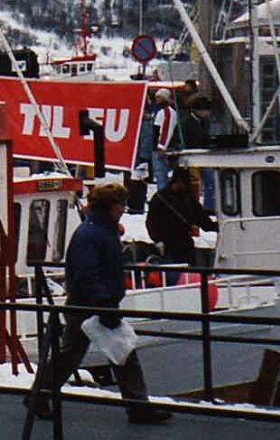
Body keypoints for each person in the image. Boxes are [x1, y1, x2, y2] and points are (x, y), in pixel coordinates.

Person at [27, 182, 172, 425]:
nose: (123, 209)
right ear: (111, 207)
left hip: (88, 303)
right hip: (93, 304)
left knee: (74, 355)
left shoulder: (94, 230)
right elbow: (87, 273)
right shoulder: (95, 233)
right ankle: (138, 406)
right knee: (120, 353)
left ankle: (39, 395)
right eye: (121, 205)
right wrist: (104, 303)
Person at [146, 167, 217, 266]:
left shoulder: (187, 197)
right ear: (178, 181)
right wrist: (158, 240)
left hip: (185, 243)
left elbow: (201, 217)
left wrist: (215, 226)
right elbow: (151, 223)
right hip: (167, 245)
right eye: (186, 182)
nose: (189, 185)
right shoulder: (160, 198)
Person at [149, 88, 176, 186]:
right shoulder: (159, 111)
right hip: (156, 147)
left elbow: (166, 130)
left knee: (161, 174)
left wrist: (162, 146)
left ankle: (163, 192)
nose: (157, 99)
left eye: (159, 97)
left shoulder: (167, 112)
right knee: (159, 173)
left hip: (161, 148)